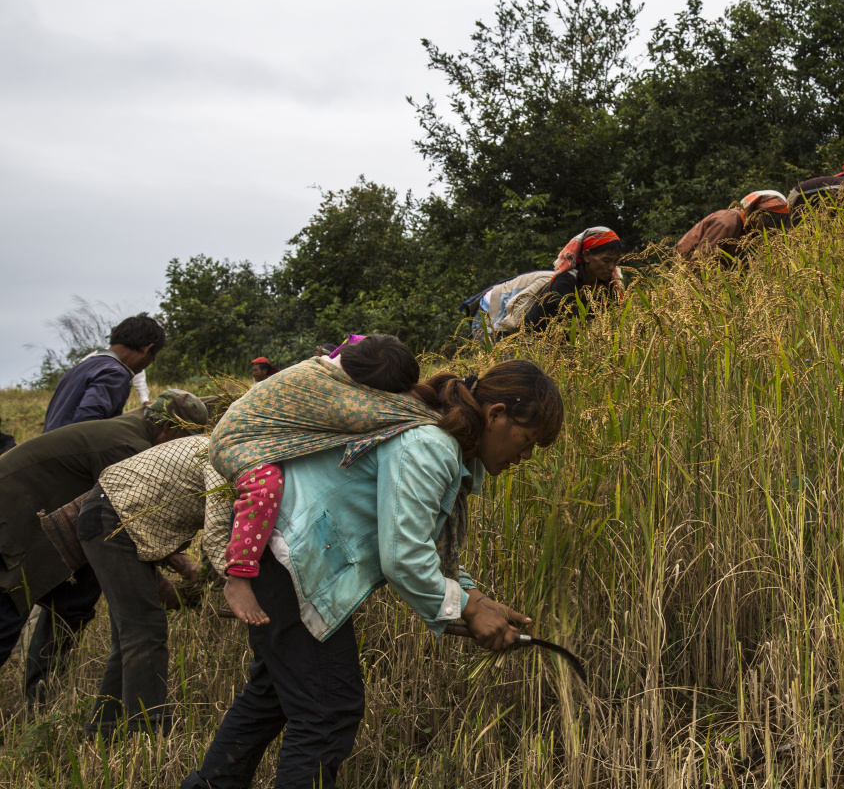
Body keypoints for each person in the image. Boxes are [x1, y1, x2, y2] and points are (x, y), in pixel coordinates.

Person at [181, 359, 563, 789]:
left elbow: (418, 542)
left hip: (282, 557)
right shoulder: (430, 445)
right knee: (328, 709)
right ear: (495, 415)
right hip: (290, 560)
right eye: (528, 440)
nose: (526, 455)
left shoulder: (444, 448)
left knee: (273, 696)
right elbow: (402, 558)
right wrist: (466, 609)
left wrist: (474, 598)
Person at [0, 390, 207, 705]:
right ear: (169, 430)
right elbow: (128, 532)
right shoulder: (128, 447)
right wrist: (171, 592)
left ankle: (40, 698)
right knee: (8, 609)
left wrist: (184, 566)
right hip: (13, 523)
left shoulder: (138, 425)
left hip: (44, 523)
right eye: (184, 442)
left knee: (73, 601)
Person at [221, 334, 421, 626]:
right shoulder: (326, 387)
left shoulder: (352, 361)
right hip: (239, 441)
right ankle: (238, 575)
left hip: (262, 434)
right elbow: (374, 415)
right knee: (265, 489)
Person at [76, 433, 232, 736]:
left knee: (131, 635)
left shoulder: (221, 445)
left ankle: (104, 730)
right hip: (111, 518)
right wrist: (235, 585)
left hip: (115, 514)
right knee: (144, 630)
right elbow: (216, 535)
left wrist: (201, 577)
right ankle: (145, 734)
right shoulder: (221, 457)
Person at [42, 313, 166, 432]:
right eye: (152, 358)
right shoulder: (115, 373)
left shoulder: (81, 367)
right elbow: (88, 423)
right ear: (147, 349)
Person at [523, 227, 625, 332]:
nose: (611, 267)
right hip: (536, 339)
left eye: (615, 261)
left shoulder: (609, 285)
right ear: (587, 256)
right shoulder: (566, 281)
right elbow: (574, 327)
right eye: (606, 260)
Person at [675, 191, 791, 265]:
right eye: (769, 222)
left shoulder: (752, 232)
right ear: (755, 214)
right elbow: (700, 263)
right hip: (687, 267)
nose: (770, 228)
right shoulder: (726, 223)